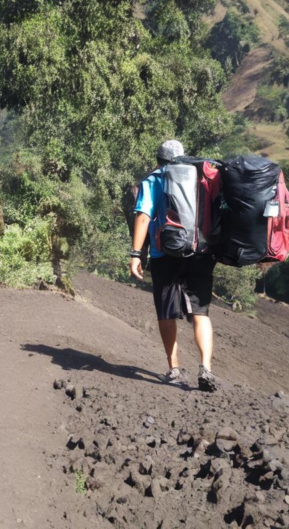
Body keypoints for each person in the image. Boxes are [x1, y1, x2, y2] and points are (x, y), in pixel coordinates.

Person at [129, 140, 218, 392]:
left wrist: (136, 253)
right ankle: (206, 368)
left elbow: (143, 215)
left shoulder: (155, 179)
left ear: (158, 159)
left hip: (165, 253)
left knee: (166, 312)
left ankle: (174, 368)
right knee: (200, 313)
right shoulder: (203, 178)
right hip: (201, 252)